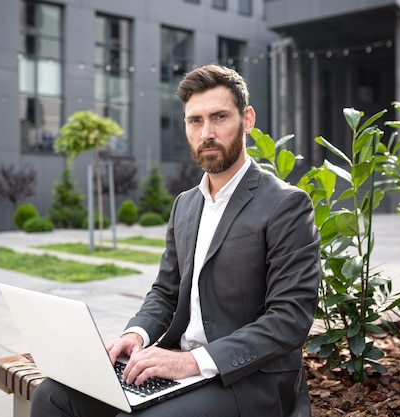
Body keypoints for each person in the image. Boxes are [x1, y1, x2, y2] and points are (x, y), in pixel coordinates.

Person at [30, 64, 321, 417]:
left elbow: (289, 319)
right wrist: (136, 335)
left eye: (219, 117)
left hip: (248, 381)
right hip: (180, 368)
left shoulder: (285, 204)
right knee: (53, 394)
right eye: (195, 120)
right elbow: (165, 292)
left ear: (247, 120)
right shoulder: (185, 204)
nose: (206, 133)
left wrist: (191, 363)